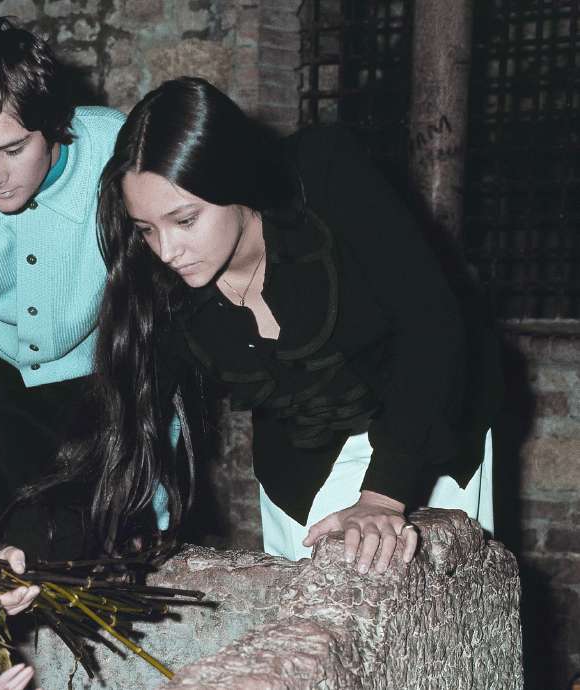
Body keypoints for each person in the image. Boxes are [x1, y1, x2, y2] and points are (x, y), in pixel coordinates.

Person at [67, 77, 501, 573]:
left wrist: (383, 497)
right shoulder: (160, 284)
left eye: (185, 220)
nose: (166, 250)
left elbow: (431, 325)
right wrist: (35, 535)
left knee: (438, 609)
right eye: (146, 229)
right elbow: (120, 425)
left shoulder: (327, 173)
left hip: (423, 418)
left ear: (235, 185)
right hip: (302, 459)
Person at [0, 15, 173, 563]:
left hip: (104, 376)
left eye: (12, 149)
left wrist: (158, 490)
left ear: (53, 124)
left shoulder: (114, 153)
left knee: (118, 556)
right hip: (4, 383)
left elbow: (157, 320)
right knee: (15, 566)